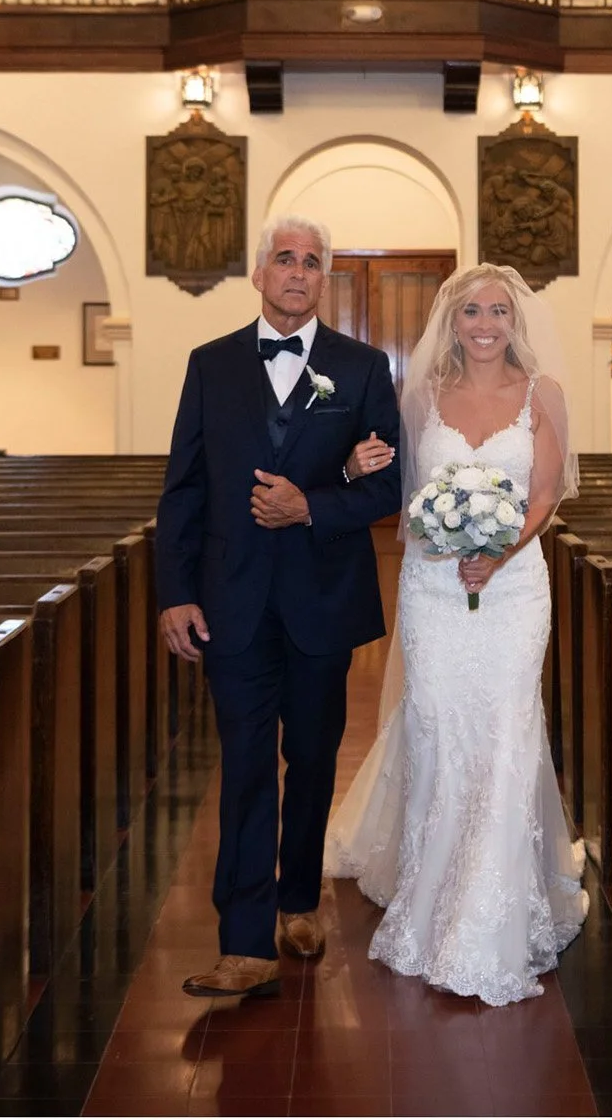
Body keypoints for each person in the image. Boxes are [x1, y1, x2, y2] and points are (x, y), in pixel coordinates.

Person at [324, 263, 587, 1005]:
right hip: (435, 586)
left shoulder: (543, 394)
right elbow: (398, 490)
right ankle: (432, 886)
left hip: (513, 587)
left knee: (504, 728)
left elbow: (545, 493)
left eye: (498, 311)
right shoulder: (420, 397)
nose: (485, 324)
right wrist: (362, 473)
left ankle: (490, 913)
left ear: (515, 321)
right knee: (439, 724)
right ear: (452, 319)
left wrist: (498, 553)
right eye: (472, 310)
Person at [155, 215, 403, 997]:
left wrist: (312, 506)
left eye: (312, 261)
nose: (298, 271)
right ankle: (243, 939)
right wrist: (175, 592)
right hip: (231, 598)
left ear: (324, 278)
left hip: (321, 598)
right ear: (260, 273)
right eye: (285, 259)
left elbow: (389, 486)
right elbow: (184, 488)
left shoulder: (361, 367)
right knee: (246, 762)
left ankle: (299, 900)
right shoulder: (211, 364)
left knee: (315, 757)